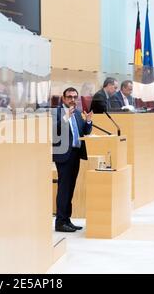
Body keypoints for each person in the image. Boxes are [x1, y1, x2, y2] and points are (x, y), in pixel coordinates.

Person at [53, 87, 93, 233]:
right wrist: (65, 118)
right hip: (63, 155)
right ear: (63, 98)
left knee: (70, 189)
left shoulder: (77, 113)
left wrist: (88, 121)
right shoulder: (57, 112)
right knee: (64, 189)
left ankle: (66, 220)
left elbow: (84, 132)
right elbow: (54, 131)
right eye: (69, 97)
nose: (72, 100)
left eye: (75, 97)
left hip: (75, 154)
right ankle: (60, 222)